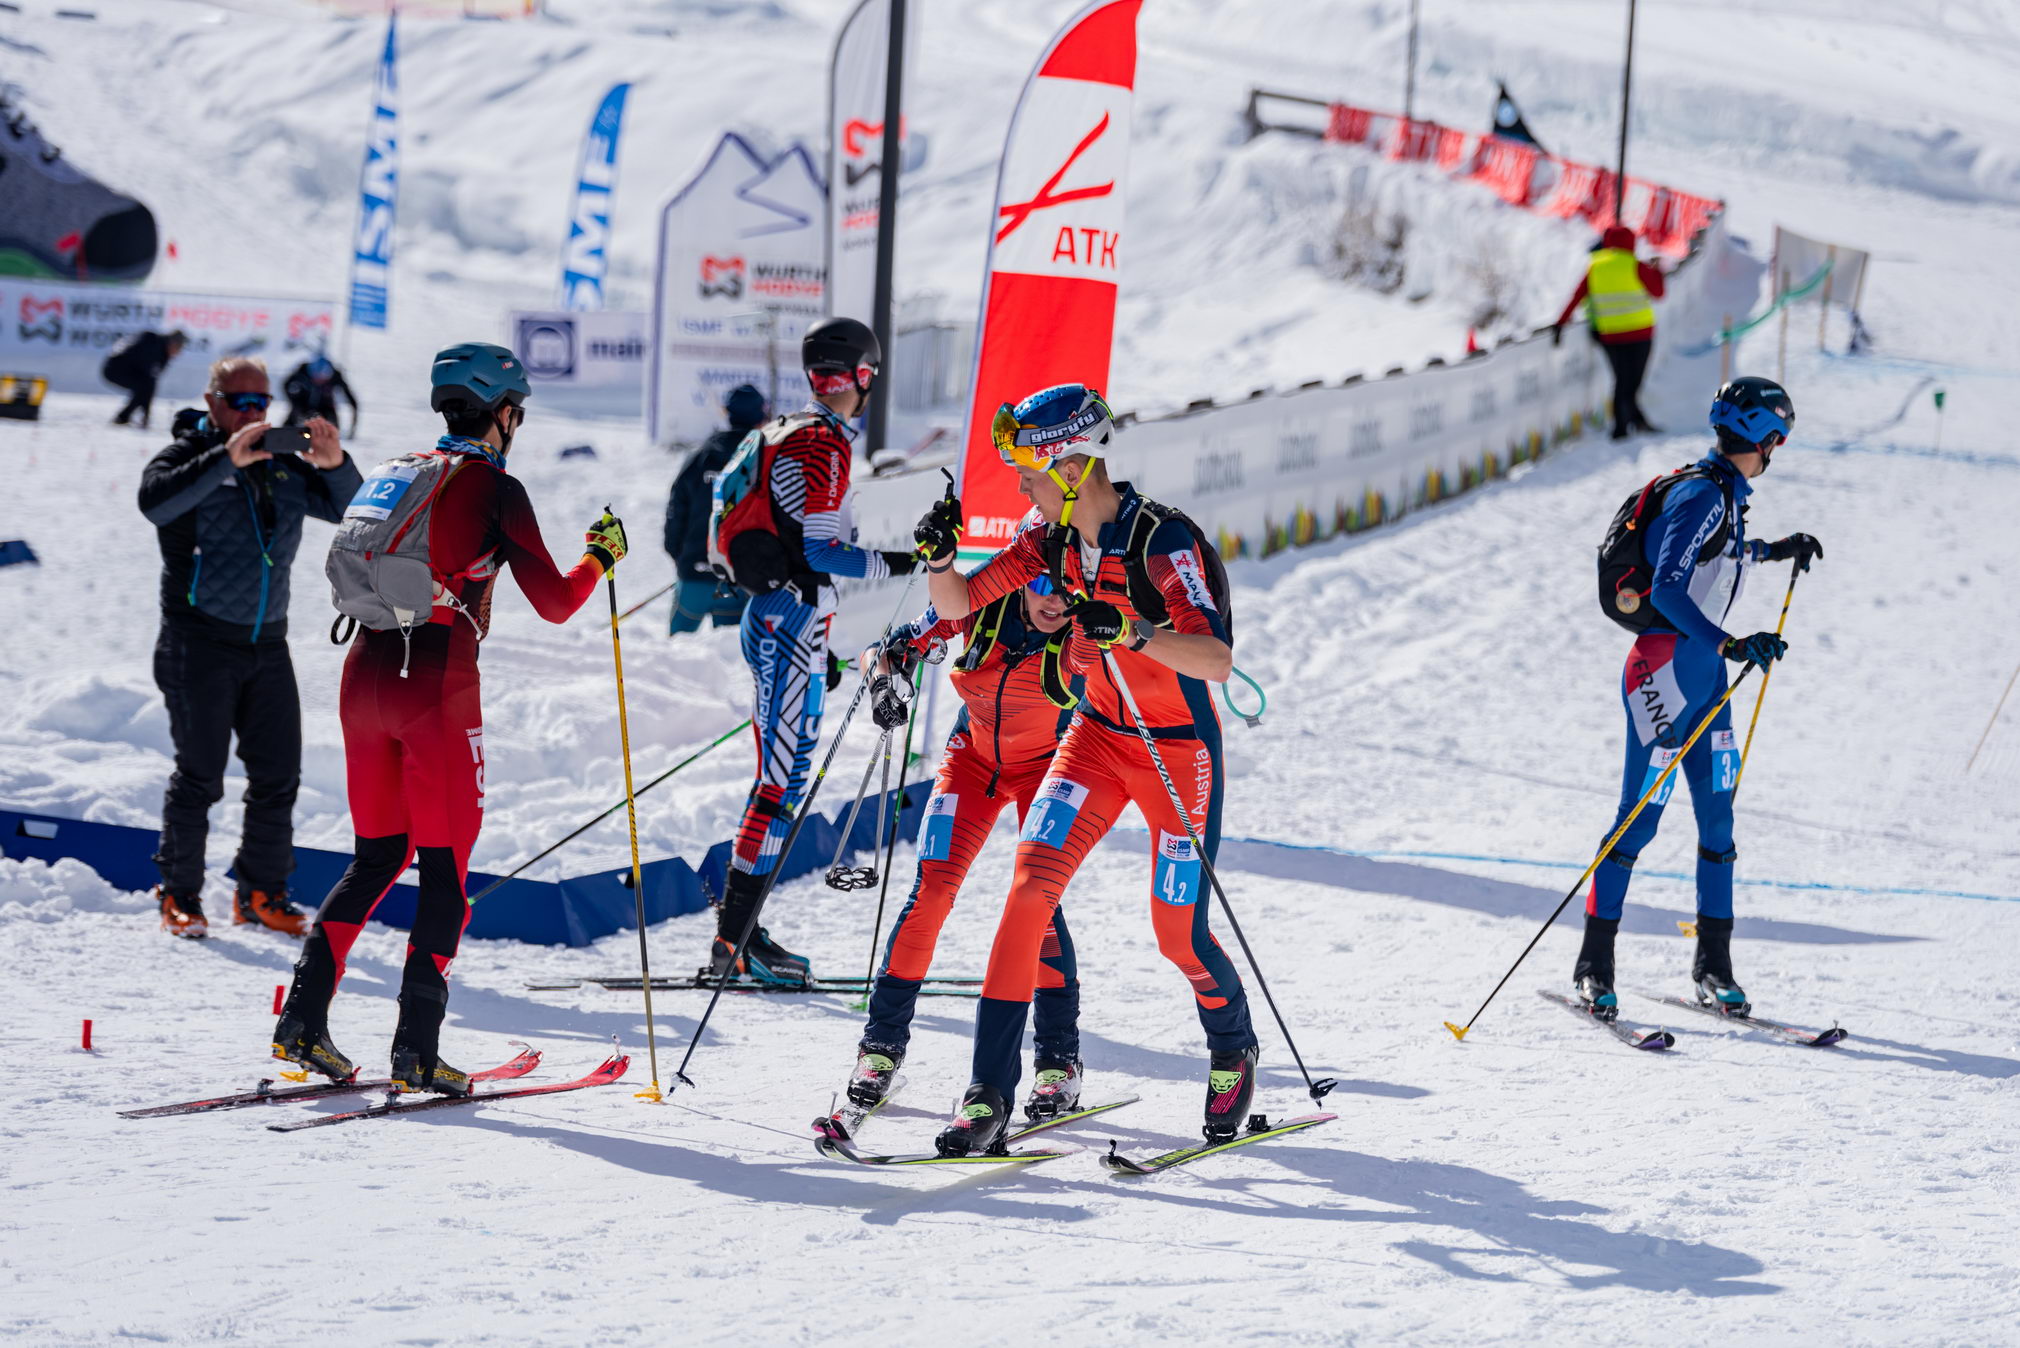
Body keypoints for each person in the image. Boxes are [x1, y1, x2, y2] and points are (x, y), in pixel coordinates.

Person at [271, 342, 627, 1094]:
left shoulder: (403, 468)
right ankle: (417, 1050)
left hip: (364, 668)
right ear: (501, 413)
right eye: (517, 413)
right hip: (433, 681)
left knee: (376, 856)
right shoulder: (496, 487)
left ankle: (302, 1021)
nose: (518, 425)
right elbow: (559, 604)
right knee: (442, 871)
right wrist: (601, 556)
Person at [915, 383, 1258, 1156]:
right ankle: (988, 1096)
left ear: (1073, 465)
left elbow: (1216, 660)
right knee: (1029, 888)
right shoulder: (1050, 542)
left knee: (1178, 935)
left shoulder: (1163, 542)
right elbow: (959, 602)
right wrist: (940, 557)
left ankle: (1232, 1044)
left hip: (1176, 753)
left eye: (1031, 473)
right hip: (1098, 742)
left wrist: (1132, 632)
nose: (1022, 489)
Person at [1573, 376, 1822, 1021]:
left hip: (1706, 680)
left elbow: (1724, 557)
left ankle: (1714, 965)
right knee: (1641, 818)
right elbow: (1669, 589)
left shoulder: (1723, 495)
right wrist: (1732, 642)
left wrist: (1779, 550)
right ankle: (1594, 965)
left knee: (1718, 818)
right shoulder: (1699, 495)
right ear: (1766, 440)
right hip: (1663, 676)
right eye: (1779, 441)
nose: (1777, 452)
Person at [708, 317, 920, 985]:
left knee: (781, 780)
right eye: (869, 377)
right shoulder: (823, 445)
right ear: (860, 376)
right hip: (788, 619)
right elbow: (821, 549)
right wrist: (904, 561)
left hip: (784, 618)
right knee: (780, 784)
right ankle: (735, 942)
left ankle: (737, 935)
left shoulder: (784, 431)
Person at [843, 574, 1086, 1124]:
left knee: (1038, 906)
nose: (1056, 600)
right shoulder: (979, 608)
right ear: (1023, 578)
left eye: (1069, 587)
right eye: (1044, 583)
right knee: (930, 893)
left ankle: (1058, 1060)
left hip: (1051, 769)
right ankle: (880, 1049)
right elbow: (882, 652)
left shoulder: (1082, 633)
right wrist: (885, 684)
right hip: (972, 760)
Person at [138, 356, 362, 939]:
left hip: (268, 642)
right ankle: (179, 894)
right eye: (240, 402)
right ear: (212, 402)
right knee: (200, 777)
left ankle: (260, 892)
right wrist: (222, 460)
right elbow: (154, 502)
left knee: (279, 774)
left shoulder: (283, 465)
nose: (253, 414)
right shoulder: (186, 457)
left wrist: (335, 464)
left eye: (261, 403)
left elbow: (353, 510)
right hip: (198, 641)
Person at [662, 383, 763, 635]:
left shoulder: (702, 455)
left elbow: (675, 510)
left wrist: (682, 558)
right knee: (732, 661)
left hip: (694, 575)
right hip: (739, 581)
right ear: (760, 416)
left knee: (672, 657)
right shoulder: (763, 458)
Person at [1552, 224, 1665, 439]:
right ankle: (1625, 426)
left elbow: (1577, 296)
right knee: (1633, 382)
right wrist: (1657, 270)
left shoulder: (1596, 266)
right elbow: (1659, 292)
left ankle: (1626, 424)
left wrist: (1561, 323)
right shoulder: (1635, 265)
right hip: (1640, 333)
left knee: (1621, 380)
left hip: (1611, 335)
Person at [104, 328, 188, 428]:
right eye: (179, 348)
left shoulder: (160, 348)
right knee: (144, 385)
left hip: (122, 369)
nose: (179, 352)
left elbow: (149, 384)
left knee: (144, 386)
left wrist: (146, 415)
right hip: (114, 369)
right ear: (173, 343)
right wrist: (146, 415)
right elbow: (148, 383)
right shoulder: (154, 345)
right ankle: (123, 417)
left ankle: (123, 417)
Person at [283, 352, 359, 437]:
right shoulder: (301, 372)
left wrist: (353, 428)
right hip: (303, 404)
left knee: (331, 429)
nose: (319, 381)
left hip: (325, 406)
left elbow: (351, 400)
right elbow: (286, 385)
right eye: (317, 378)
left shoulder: (335, 376)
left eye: (323, 379)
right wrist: (294, 402)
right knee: (293, 420)